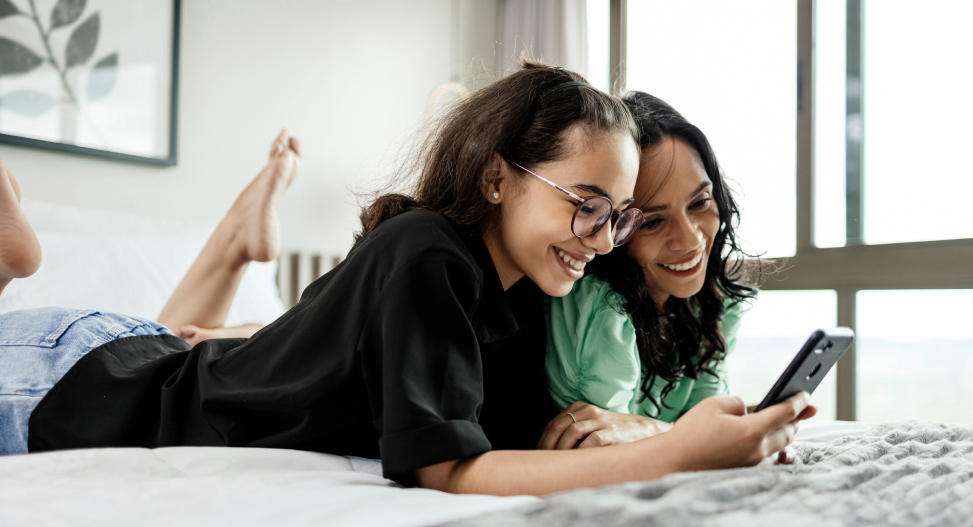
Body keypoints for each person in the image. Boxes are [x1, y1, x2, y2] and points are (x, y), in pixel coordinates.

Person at [0, 62, 813, 496]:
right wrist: (678, 456)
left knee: (196, 341)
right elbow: (450, 469)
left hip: (139, 353)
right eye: (587, 207)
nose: (603, 242)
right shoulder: (428, 253)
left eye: (619, 217)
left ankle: (232, 244)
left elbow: (525, 440)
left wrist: (670, 432)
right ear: (499, 179)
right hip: (73, 380)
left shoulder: (528, 290)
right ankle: (16, 259)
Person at [540, 92, 772, 452]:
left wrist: (739, 435)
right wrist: (675, 433)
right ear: (613, 230)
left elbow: (705, 417)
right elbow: (605, 451)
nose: (690, 239)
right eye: (652, 222)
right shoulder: (601, 309)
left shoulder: (710, 304)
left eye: (700, 202)